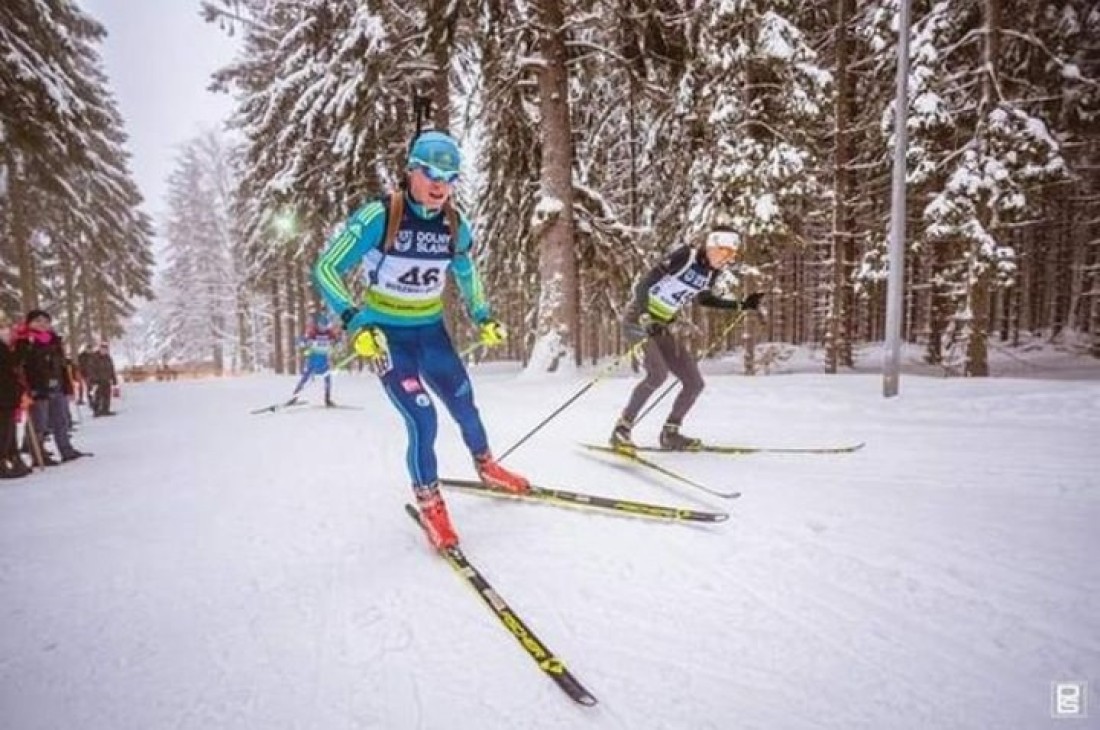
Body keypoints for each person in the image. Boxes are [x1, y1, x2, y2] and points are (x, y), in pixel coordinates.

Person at [313, 129, 527, 549]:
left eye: (449, 177)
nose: (439, 185)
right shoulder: (380, 215)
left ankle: (487, 466)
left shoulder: (453, 223)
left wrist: (483, 315)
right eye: (430, 173)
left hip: (432, 334)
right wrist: (355, 320)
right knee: (423, 417)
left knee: (465, 405)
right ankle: (430, 502)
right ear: (411, 170)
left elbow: (466, 271)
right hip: (388, 337)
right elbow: (326, 267)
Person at [610, 227, 763, 452]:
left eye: (732, 255)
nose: (728, 258)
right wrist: (645, 317)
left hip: (660, 325)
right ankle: (621, 430)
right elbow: (643, 285)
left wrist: (741, 305)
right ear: (712, 245)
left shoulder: (712, 272)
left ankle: (670, 433)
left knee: (694, 383)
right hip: (637, 320)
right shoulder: (686, 256)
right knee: (657, 375)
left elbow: (704, 299)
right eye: (725, 252)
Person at [13, 310, 87, 464]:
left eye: (46, 321)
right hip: (37, 388)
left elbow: (61, 365)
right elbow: (19, 365)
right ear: (30, 323)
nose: (42, 324)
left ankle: (66, 449)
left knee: (61, 420)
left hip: (56, 385)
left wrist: (67, 384)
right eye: (38, 321)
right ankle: (38, 454)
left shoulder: (54, 340)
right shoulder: (24, 341)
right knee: (40, 423)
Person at [0, 312, 32, 478]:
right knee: (4, 430)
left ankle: (13, 458)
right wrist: (22, 342)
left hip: (8, 395)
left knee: (9, 429)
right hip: (3, 395)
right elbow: (14, 362)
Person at [290, 312, 341, 406]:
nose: (323, 328)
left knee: (328, 379)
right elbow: (302, 340)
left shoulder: (329, 333)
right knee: (305, 379)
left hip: (324, 361)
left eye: (325, 326)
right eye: (321, 326)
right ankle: (294, 397)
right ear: (318, 325)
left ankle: (327, 399)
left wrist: (337, 343)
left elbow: (337, 341)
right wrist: (302, 343)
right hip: (313, 360)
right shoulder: (312, 332)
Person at [86, 342, 118, 416]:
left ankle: (105, 410)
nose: (104, 351)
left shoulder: (108, 358)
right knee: (98, 396)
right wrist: (94, 379)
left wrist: (114, 380)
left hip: (106, 380)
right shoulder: (94, 357)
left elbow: (111, 369)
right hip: (97, 380)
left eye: (106, 349)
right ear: (100, 349)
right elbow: (91, 369)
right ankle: (96, 411)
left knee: (107, 395)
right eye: (103, 349)